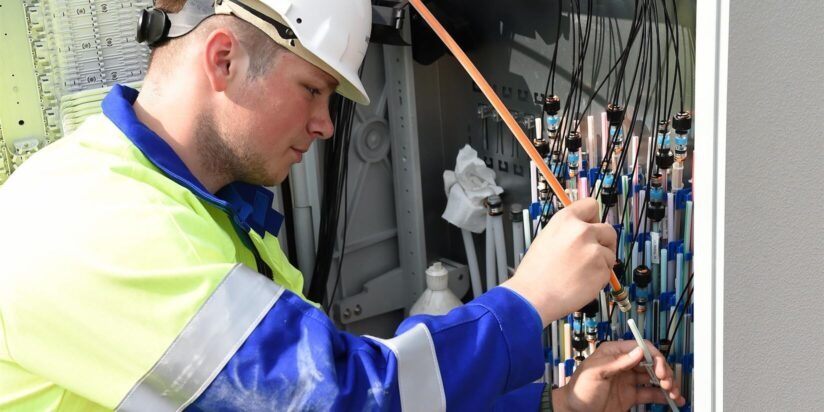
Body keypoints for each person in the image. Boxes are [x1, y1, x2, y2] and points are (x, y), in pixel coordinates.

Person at [0, 0, 685, 410]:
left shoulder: (212, 216)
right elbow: (343, 401)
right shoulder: (91, 222)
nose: (327, 125)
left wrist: (555, 404)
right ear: (222, 59)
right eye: (313, 89)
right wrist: (528, 299)